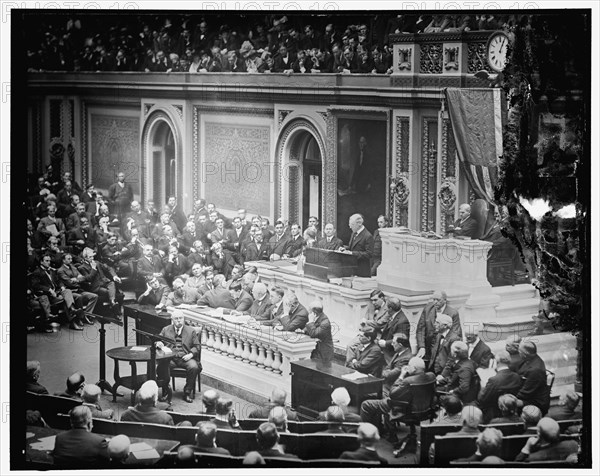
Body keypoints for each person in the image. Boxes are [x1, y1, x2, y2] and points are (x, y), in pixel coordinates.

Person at [360, 357, 435, 433]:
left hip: (403, 410)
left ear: (414, 369)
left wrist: (401, 375)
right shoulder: (432, 376)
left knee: (366, 404)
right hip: (424, 410)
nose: (407, 368)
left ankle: (369, 433)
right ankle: (386, 431)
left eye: (409, 366)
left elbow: (392, 393)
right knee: (384, 396)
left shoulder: (408, 381)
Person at [156, 310, 202, 404]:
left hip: (185, 358)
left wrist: (190, 354)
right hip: (171, 358)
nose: (179, 321)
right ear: (172, 320)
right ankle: (166, 391)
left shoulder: (191, 331)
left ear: (183, 319)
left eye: (181, 318)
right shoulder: (166, 329)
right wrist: (158, 343)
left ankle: (187, 392)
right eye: (176, 319)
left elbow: (197, 346)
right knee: (162, 366)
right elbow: (158, 340)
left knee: (194, 367)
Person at [416, 290, 462, 363]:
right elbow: (420, 330)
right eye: (433, 299)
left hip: (442, 352)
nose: (435, 302)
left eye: (438, 300)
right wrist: (421, 347)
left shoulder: (453, 313)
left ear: (445, 300)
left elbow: (456, 333)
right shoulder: (427, 309)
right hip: (427, 349)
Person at [476, 350, 523, 422]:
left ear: (496, 362)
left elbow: (482, 400)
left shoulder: (493, 380)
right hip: (513, 413)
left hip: (494, 416)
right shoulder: (517, 377)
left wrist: (483, 386)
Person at [516, 340, 551, 414]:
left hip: (536, 402)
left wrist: (511, 396)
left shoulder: (535, 370)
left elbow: (525, 393)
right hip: (530, 394)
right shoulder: (531, 358)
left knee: (507, 401)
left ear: (525, 354)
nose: (518, 353)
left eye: (520, 351)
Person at [296, 299, 334, 363]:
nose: (307, 312)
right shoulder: (317, 317)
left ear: (314, 313)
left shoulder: (325, 323)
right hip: (316, 350)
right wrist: (303, 331)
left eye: (309, 310)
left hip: (323, 353)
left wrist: (310, 322)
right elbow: (312, 328)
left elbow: (314, 333)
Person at [339, 213, 373, 277]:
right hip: (352, 269)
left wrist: (352, 253)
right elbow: (352, 247)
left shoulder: (368, 236)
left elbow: (369, 254)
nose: (350, 226)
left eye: (352, 224)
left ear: (359, 224)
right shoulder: (353, 233)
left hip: (362, 271)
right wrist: (345, 248)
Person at [380, 333, 413, 397]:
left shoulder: (406, 358)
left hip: (395, 388)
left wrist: (384, 372)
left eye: (394, 343)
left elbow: (391, 375)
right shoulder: (398, 353)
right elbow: (388, 367)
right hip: (389, 383)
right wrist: (386, 372)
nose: (392, 344)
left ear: (400, 345)